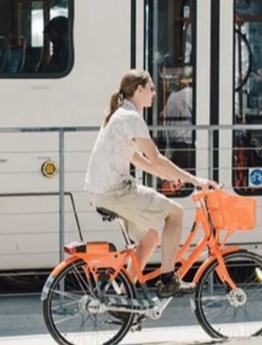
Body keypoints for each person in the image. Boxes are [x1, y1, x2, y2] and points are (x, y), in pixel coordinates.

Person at [85, 69, 218, 297]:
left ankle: (123, 297)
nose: (155, 93)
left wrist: (167, 175)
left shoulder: (118, 114)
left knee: (150, 238)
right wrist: (195, 180)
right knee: (175, 214)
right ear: (139, 90)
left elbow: (137, 158)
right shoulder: (131, 118)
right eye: (151, 88)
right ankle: (168, 280)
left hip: (101, 191)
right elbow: (156, 158)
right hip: (115, 192)